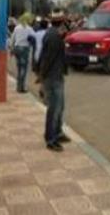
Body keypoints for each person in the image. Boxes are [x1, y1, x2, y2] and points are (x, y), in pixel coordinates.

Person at [38, 10, 70, 152]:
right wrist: (42, 79)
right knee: (54, 109)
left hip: (56, 76)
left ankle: (57, 132)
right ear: (62, 22)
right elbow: (47, 59)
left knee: (60, 107)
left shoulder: (55, 35)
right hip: (52, 77)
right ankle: (50, 138)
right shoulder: (53, 37)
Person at [9, 13, 35, 93]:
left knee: (19, 67)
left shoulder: (17, 28)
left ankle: (18, 86)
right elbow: (34, 37)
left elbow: (12, 38)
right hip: (24, 49)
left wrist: (11, 48)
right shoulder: (29, 29)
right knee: (23, 68)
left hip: (17, 48)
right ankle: (21, 87)